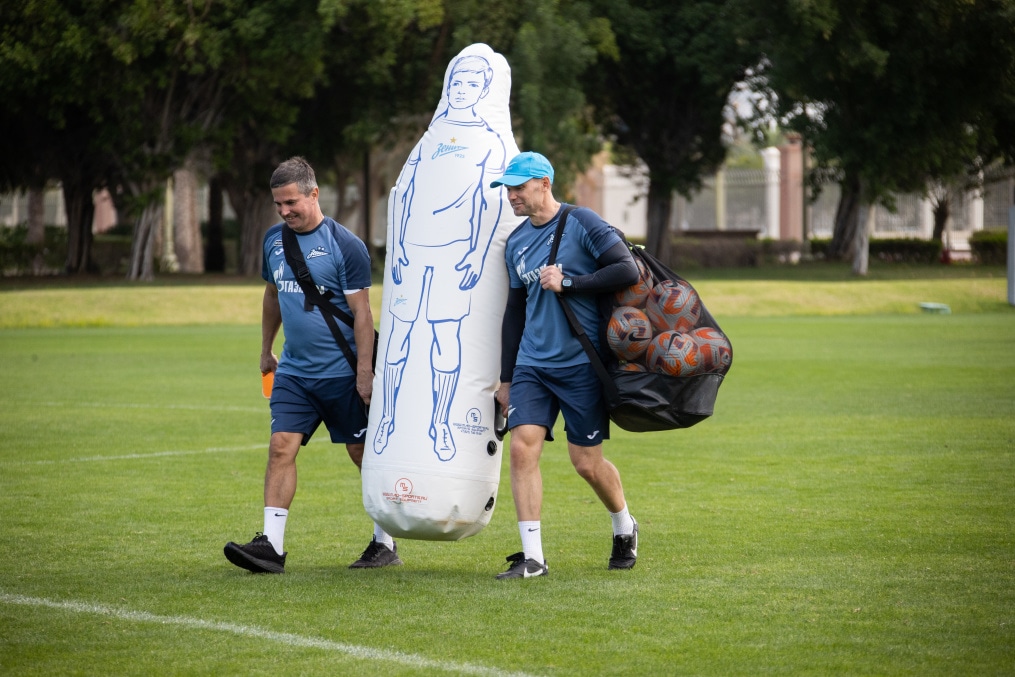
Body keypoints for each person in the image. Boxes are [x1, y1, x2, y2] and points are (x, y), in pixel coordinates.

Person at [224, 156, 402, 573]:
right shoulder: (273, 241)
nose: (285, 212)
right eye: (278, 205)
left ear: (314, 193)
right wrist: (267, 348)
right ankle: (271, 545)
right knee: (280, 446)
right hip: (294, 373)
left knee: (362, 456)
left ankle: (384, 542)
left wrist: (364, 374)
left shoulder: (347, 246)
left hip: (343, 375)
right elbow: (272, 296)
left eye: (292, 203)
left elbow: (363, 315)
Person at [492, 151, 641, 579]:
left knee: (586, 463)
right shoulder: (516, 242)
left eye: (518, 187)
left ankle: (624, 524)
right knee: (522, 448)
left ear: (544, 183)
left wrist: (570, 282)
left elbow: (625, 269)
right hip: (532, 366)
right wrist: (506, 378)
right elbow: (514, 312)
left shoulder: (582, 222)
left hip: (581, 365)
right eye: (508, 188)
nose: (511, 196)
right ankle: (533, 558)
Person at [373, 53, 507, 461]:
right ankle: (388, 420)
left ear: (484, 90)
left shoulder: (490, 141)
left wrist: (475, 255)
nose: (461, 90)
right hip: (412, 254)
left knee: (445, 338)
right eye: (456, 83)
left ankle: (440, 424)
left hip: (453, 257)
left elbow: (491, 206)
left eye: (470, 84)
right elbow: (403, 195)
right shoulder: (429, 139)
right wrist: (395, 250)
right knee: (397, 338)